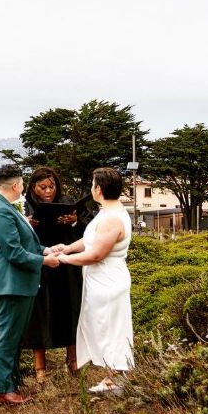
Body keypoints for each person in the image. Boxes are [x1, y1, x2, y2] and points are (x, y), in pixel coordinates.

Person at [50, 167, 134, 393]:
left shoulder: (112, 219)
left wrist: (64, 260)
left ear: (98, 189)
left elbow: (96, 254)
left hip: (108, 281)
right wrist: (67, 248)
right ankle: (113, 379)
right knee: (103, 327)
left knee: (111, 329)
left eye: (92, 185)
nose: (91, 189)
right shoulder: (109, 211)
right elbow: (90, 241)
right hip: (101, 279)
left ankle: (116, 381)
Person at [0, 164, 61, 406]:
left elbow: (23, 243)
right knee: (7, 338)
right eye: (22, 185)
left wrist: (46, 249)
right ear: (16, 185)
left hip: (18, 284)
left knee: (14, 337)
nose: (23, 189)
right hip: (11, 284)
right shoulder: (0, 211)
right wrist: (45, 261)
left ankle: (12, 383)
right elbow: (14, 253)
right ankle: (4, 391)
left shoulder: (4, 206)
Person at [22, 167, 89, 382]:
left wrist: (74, 222)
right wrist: (28, 225)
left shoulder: (67, 201)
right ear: (33, 187)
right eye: (43, 187)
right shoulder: (26, 206)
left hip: (67, 264)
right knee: (40, 314)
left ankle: (73, 359)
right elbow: (20, 239)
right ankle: (40, 367)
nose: (48, 191)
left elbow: (89, 231)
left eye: (52, 186)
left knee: (70, 309)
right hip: (41, 264)